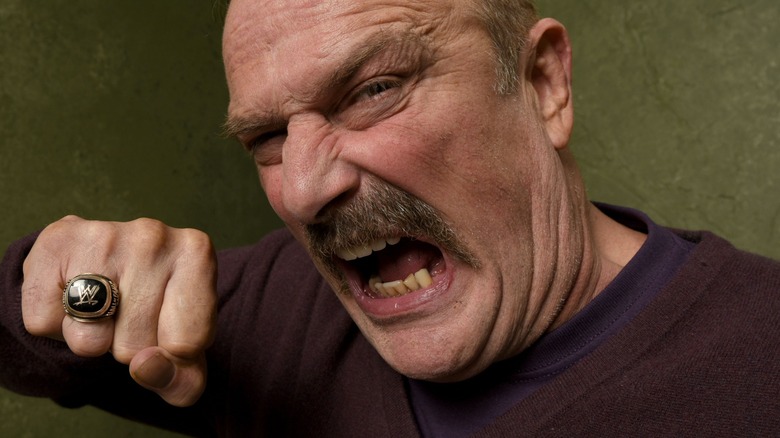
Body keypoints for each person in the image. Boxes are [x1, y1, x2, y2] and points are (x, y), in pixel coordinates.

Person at [1, 0, 779, 436]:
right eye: (267, 138)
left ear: (543, 85)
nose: (303, 190)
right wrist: (78, 279)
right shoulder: (283, 312)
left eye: (375, 90)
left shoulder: (760, 361)